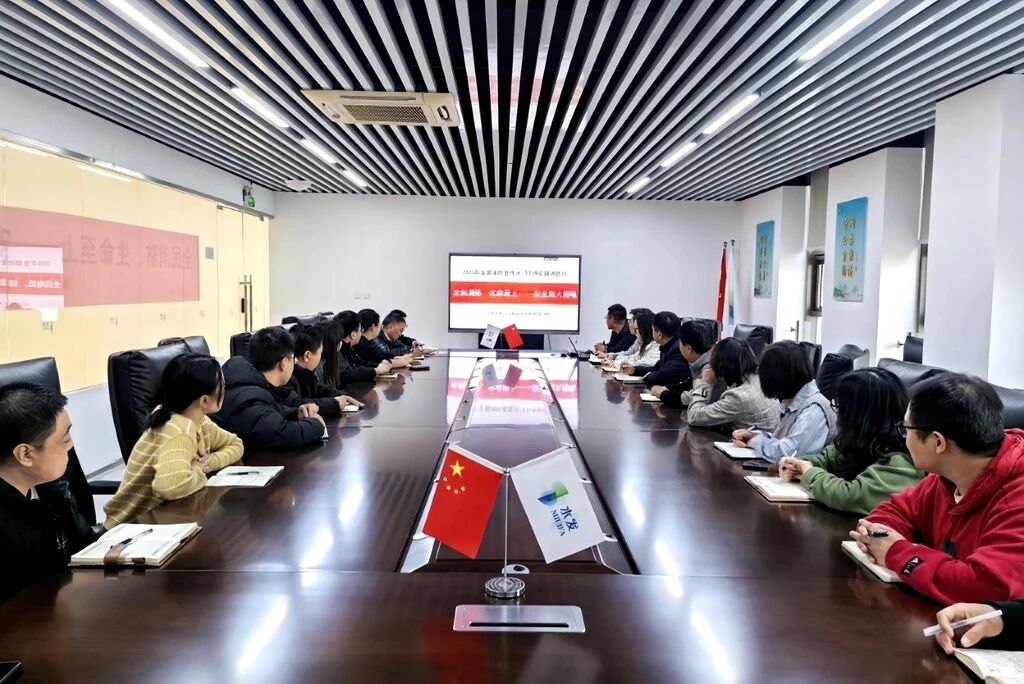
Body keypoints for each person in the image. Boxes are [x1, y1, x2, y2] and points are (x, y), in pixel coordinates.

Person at [851, 373, 1024, 605]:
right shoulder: (948, 476)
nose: (904, 438)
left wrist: (897, 553)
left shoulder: (1015, 498)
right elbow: (895, 510)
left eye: (906, 429)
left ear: (938, 442)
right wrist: (876, 535)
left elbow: (986, 588)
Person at [103, 354, 244, 528]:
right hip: (130, 528)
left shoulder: (199, 421)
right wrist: (199, 468)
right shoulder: (177, 428)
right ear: (205, 400)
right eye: (221, 384)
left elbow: (235, 444)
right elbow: (170, 487)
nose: (224, 387)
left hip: (160, 522)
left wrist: (212, 461)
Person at [0, 382, 98, 601]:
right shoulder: (9, 523)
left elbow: (84, 546)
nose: (70, 447)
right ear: (25, 455)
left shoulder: (49, 488)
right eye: (65, 440)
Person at [778, 368, 924, 515]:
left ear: (859, 416)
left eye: (841, 407)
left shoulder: (902, 461)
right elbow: (828, 459)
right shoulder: (862, 441)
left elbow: (851, 496)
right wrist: (798, 465)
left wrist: (810, 473)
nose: (837, 413)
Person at [213, 326, 327, 450]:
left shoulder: (253, 383)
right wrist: (317, 424)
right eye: (292, 359)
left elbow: (271, 410)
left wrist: (296, 412)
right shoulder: (249, 399)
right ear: (283, 363)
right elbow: (283, 434)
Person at [731, 340, 837, 463]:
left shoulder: (814, 410)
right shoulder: (794, 401)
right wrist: (754, 436)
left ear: (778, 378)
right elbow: (785, 440)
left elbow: (789, 454)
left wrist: (754, 441)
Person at [686, 337, 779, 431]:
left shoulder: (737, 397)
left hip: (751, 440)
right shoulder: (761, 378)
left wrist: (705, 382)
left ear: (720, 366)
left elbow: (694, 416)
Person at [288, 324, 363, 418]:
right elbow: (299, 404)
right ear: (307, 356)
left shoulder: (306, 373)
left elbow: (319, 388)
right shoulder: (290, 378)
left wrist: (343, 396)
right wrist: (335, 403)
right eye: (320, 352)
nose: (320, 357)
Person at [651, 319, 715, 408]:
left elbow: (694, 398)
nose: (679, 346)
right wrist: (668, 388)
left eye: (680, 343)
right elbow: (688, 384)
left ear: (689, 349)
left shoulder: (709, 367)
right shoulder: (702, 359)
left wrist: (663, 394)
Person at [620, 311, 690, 388]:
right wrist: (634, 370)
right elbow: (655, 368)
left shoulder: (677, 349)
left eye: (653, 330)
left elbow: (663, 375)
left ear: (659, 335)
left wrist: (648, 377)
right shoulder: (667, 346)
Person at [323, 312, 392, 387]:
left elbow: (360, 363)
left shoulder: (348, 347)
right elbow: (346, 373)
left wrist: (379, 365)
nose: (361, 334)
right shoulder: (337, 349)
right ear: (353, 334)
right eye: (360, 330)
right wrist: (376, 370)